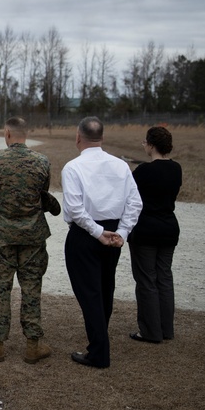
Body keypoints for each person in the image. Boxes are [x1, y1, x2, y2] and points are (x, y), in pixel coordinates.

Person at [62, 116, 142, 368]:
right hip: (113, 233)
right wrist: (123, 232)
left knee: (90, 294)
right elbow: (135, 203)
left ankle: (98, 352)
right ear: (102, 138)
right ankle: (99, 341)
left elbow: (75, 209)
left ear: (78, 137)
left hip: (85, 235)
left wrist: (97, 232)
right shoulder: (121, 166)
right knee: (105, 289)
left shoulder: (73, 167)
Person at [0, 117, 54, 364]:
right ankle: (33, 344)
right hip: (33, 235)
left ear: (7, 133)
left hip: (2, 236)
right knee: (32, 288)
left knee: (1, 288)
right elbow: (42, 194)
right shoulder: (42, 162)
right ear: (26, 134)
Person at [127, 126, 181, 343]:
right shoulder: (176, 169)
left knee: (146, 280)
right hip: (169, 228)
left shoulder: (143, 171)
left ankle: (150, 331)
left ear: (151, 144)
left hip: (146, 230)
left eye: (145, 142)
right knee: (165, 278)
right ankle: (166, 329)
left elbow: (130, 196)